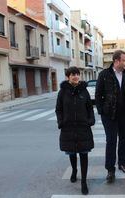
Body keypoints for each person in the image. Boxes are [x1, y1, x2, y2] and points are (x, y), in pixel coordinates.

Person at [95, 50, 125, 183]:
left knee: (123, 139)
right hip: (110, 115)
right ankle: (110, 169)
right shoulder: (104, 74)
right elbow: (98, 95)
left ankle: (122, 163)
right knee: (111, 141)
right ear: (116, 61)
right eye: (124, 60)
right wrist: (102, 111)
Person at [55, 67, 95, 195]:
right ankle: (74, 170)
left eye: (77, 74)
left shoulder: (84, 91)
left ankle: (84, 182)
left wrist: (90, 120)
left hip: (83, 127)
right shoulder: (62, 92)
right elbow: (58, 109)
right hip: (68, 127)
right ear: (68, 76)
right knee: (72, 153)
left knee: (84, 154)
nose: (76, 76)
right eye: (73, 74)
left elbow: (90, 107)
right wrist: (61, 122)